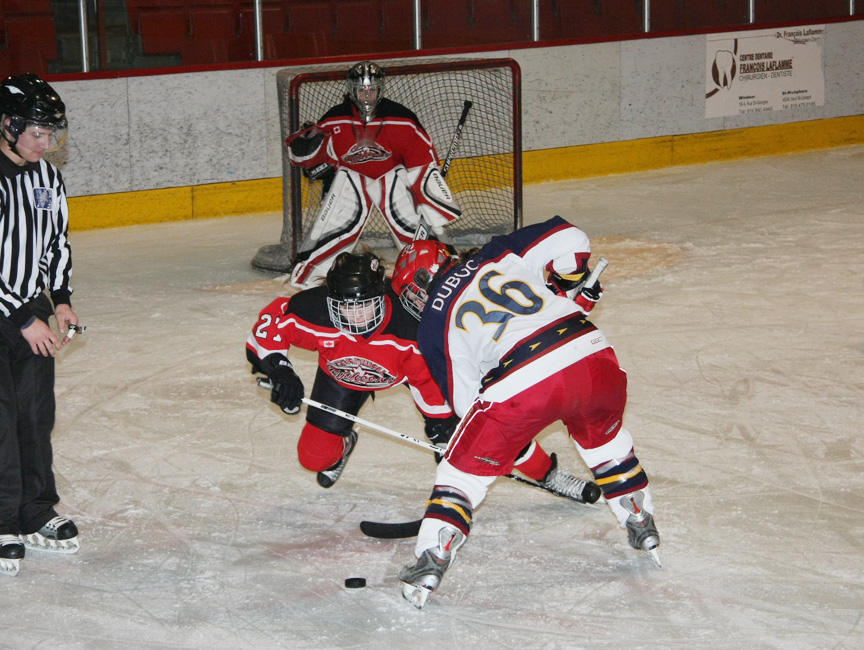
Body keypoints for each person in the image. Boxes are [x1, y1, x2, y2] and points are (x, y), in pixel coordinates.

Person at [389, 217, 661, 608]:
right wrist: (567, 283)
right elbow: (572, 238)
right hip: (594, 356)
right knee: (605, 446)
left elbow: (466, 406)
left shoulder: (431, 326)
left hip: (523, 383)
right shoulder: (497, 252)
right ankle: (639, 519)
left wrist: (497, 435)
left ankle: (432, 557)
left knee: (461, 474)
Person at [246, 250, 593, 497]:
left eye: (365, 305)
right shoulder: (314, 311)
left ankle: (548, 473)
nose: (355, 319)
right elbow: (270, 327)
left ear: (381, 294)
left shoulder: (412, 332)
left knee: (484, 427)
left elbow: (426, 382)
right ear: (331, 298)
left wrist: (440, 426)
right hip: (340, 377)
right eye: (344, 308)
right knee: (314, 458)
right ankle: (344, 441)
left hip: (409, 374)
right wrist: (281, 371)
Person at [0, 74, 81, 578]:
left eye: (52, 134)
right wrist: (23, 316)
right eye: (36, 134)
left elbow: (56, 244)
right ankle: (3, 517)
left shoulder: (46, 177)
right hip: (10, 314)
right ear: (8, 126)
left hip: (30, 312)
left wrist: (62, 299)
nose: (45, 144)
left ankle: (35, 508)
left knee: (34, 414)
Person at [285, 60, 461, 289]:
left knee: (411, 223)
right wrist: (304, 151)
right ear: (351, 90)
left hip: (393, 179)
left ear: (380, 88)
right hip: (351, 181)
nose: (367, 95)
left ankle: (439, 270)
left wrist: (426, 195)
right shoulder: (334, 118)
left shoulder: (402, 118)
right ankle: (312, 276)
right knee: (337, 225)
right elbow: (316, 162)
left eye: (372, 89)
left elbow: (422, 161)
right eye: (361, 90)